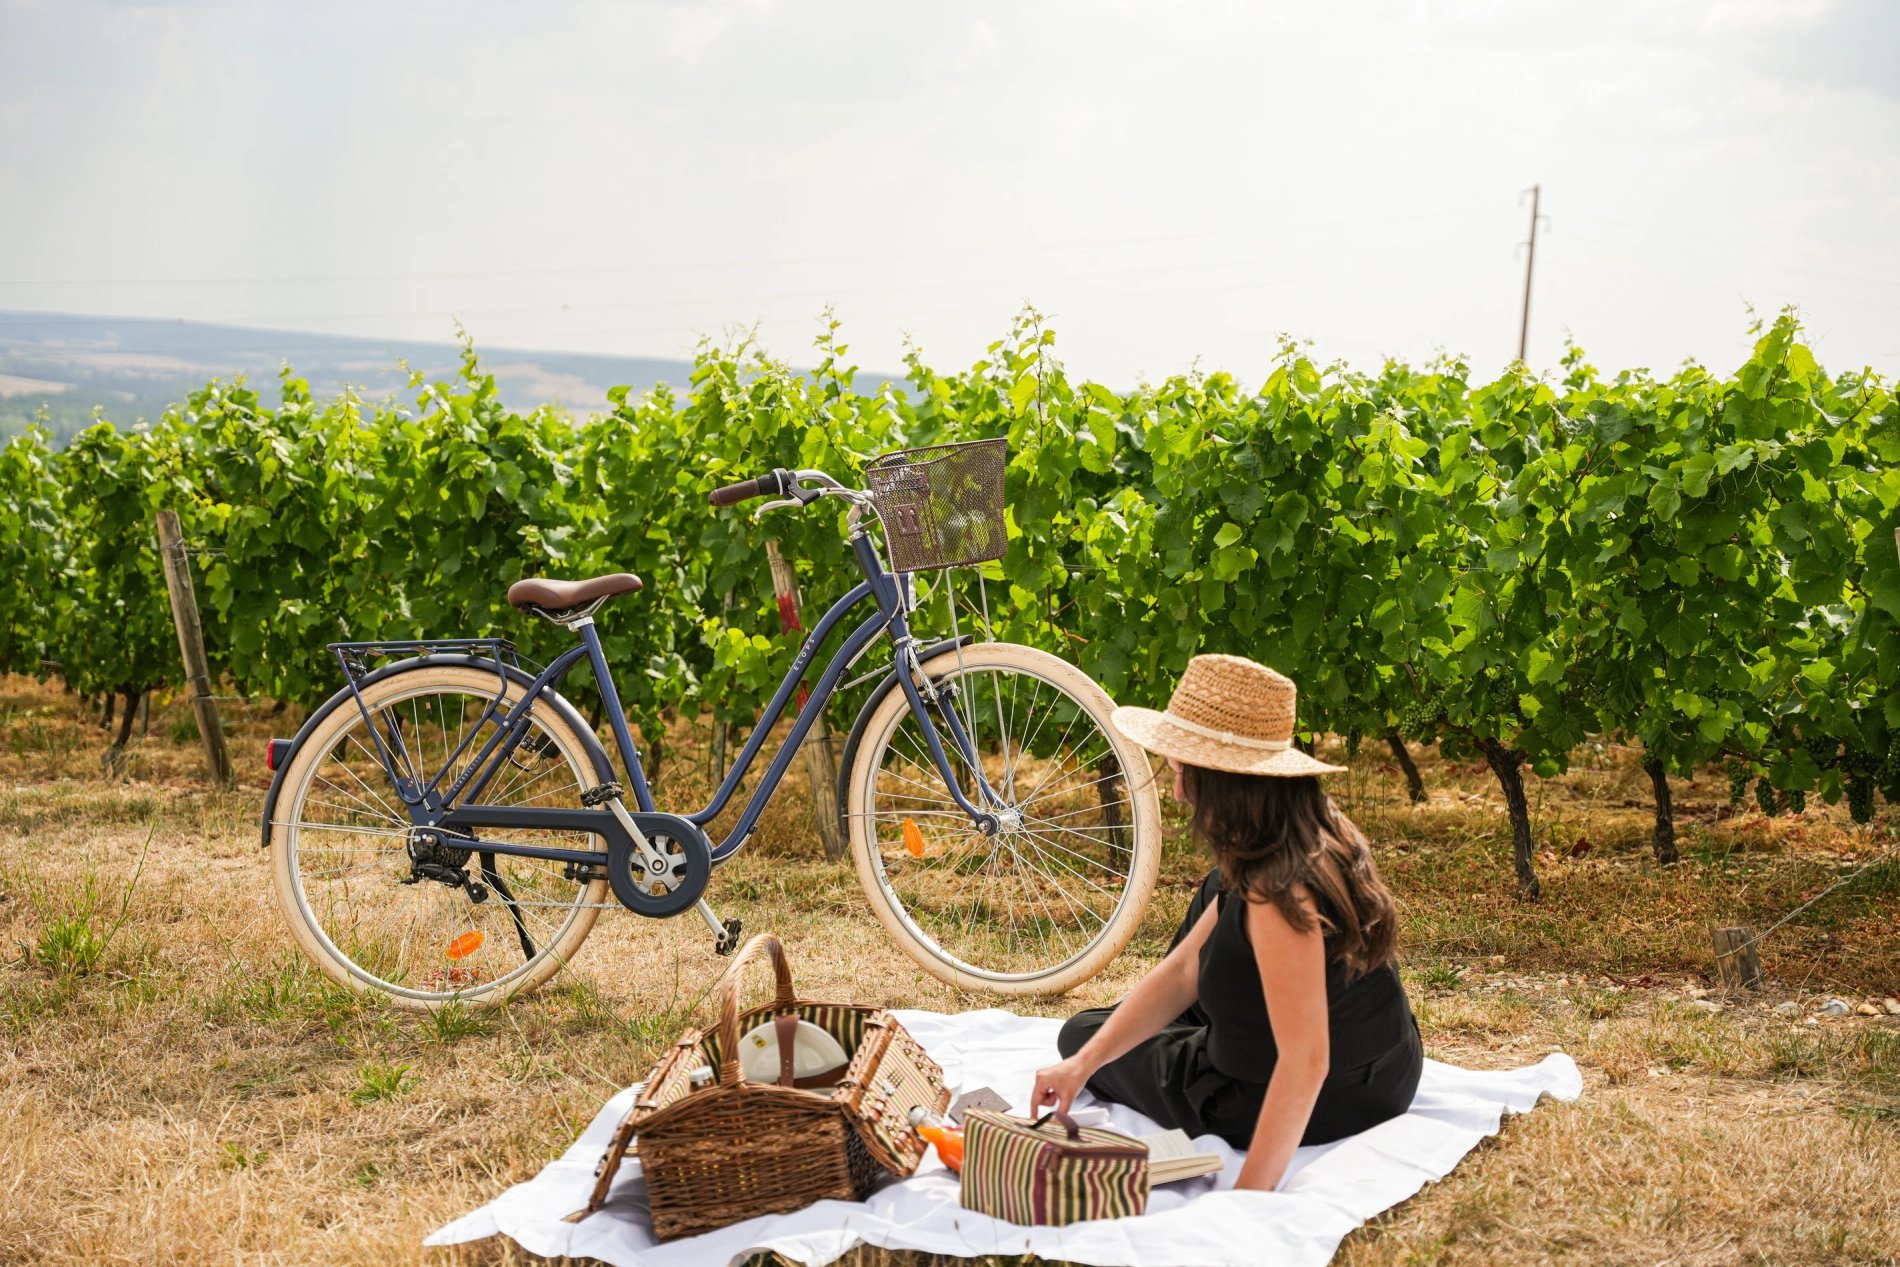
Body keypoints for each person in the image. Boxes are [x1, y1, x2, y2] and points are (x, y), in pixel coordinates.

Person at [1031, 654, 1421, 1193]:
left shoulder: (1277, 892)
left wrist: (1249, 1198)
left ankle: (1206, 1045)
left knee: (1080, 1029)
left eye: (1182, 772)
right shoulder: (1312, 828)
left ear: (1222, 781)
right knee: (1098, 1036)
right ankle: (1194, 1035)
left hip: (1325, 1100)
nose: (1177, 792)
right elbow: (1187, 965)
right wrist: (1083, 1067)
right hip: (1392, 1067)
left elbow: (1305, 1063)